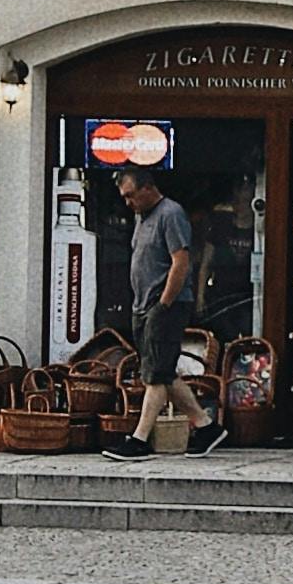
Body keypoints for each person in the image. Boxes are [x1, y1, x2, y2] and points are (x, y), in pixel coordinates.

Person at [103, 169, 205, 456]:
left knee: (155, 375)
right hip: (144, 304)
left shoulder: (170, 214)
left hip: (164, 305)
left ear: (148, 188)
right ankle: (206, 425)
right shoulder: (141, 217)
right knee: (162, 370)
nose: (128, 202)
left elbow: (180, 262)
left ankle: (140, 439)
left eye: (130, 195)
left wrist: (164, 304)